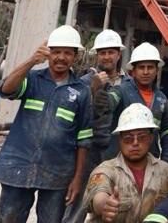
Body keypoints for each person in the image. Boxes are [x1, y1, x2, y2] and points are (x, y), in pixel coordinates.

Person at [0, 25, 93, 222]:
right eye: (56, 52)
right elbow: (6, 90)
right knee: (9, 217)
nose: (61, 57)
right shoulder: (32, 79)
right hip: (19, 165)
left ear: (75, 56)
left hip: (58, 171)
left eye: (67, 53)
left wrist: (77, 179)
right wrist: (30, 61)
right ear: (48, 53)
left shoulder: (82, 91)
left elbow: (84, 139)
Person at [63, 29, 128, 223]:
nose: (107, 57)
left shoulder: (128, 83)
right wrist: (93, 87)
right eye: (103, 52)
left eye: (111, 52)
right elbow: (73, 109)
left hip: (115, 152)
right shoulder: (84, 81)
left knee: (112, 203)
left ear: (119, 54)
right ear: (97, 55)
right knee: (78, 202)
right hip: (88, 150)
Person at [83, 103, 168, 222]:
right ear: (120, 140)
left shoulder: (165, 172)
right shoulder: (105, 170)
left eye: (141, 137)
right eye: (128, 138)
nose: (135, 143)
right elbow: (98, 196)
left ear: (151, 138)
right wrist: (106, 206)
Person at [106, 42, 168, 165]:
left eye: (150, 67)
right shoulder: (121, 91)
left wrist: (167, 158)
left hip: (150, 164)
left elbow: (167, 131)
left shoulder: (161, 99)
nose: (145, 72)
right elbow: (108, 102)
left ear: (156, 70)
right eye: (141, 67)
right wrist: (101, 98)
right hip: (121, 163)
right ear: (133, 70)